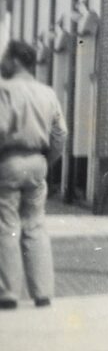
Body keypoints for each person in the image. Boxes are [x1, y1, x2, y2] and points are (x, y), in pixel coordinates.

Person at [0, 40, 67, 309]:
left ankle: (9, 293)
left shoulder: (5, 91)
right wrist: (46, 159)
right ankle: (42, 291)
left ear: (15, 60)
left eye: (5, 58)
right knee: (35, 224)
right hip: (38, 163)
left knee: (6, 227)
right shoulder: (47, 93)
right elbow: (60, 133)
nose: (2, 63)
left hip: (9, 161)